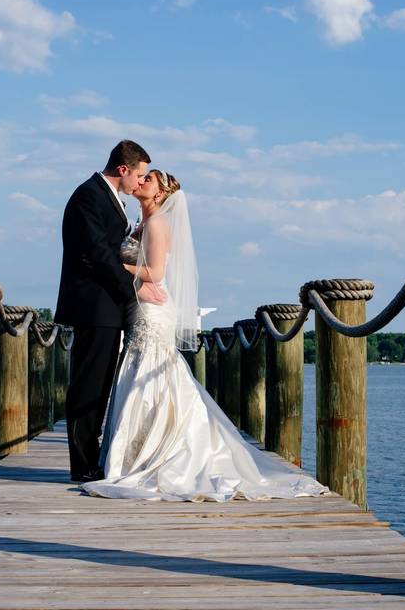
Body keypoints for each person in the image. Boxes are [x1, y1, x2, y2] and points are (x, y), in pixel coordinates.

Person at [81, 170, 329, 501]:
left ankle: (159, 451)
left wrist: (114, 266)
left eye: (148, 180)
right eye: (142, 177)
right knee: (140, 369)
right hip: (138, 305)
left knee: (152, 368)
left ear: (160, 194)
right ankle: (132, 453)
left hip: (152, 308)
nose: (140, 182)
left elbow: (155, 273)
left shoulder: (156, 225)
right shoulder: (139, 225)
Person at [55, 140, 166, 484]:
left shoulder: (107, 197)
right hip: (93, 307)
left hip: (107, 308)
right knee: (88, 387)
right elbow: (96, 255)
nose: (140, 181)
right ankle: (83, 465)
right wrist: (135, 286)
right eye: (140, 174)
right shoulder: (89, 195)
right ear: (123, 170)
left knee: (100, 387)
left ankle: (92, 458)